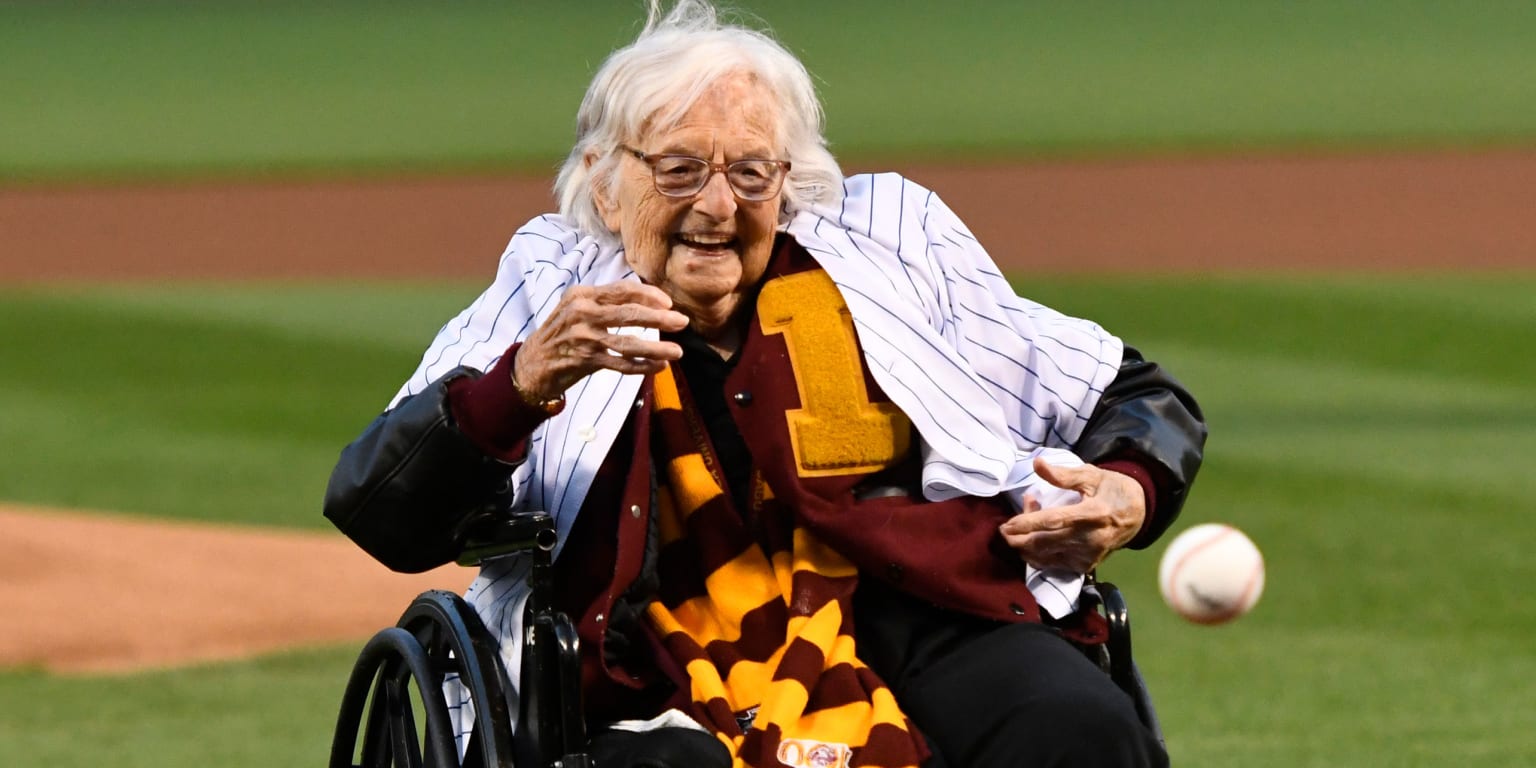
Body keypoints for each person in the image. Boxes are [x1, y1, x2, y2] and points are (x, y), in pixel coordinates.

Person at [325, 2, 1205, 766]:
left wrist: (1127, 490)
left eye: (751, 173)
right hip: (644, 653)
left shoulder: (887, 249)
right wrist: (519, 382)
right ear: (603, 176)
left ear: (787, 184)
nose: (718, 206)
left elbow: (1128, 393)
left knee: (1073, 730)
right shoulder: (549, 285)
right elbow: (379, 505)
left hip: (914, 605)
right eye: (679, 170)